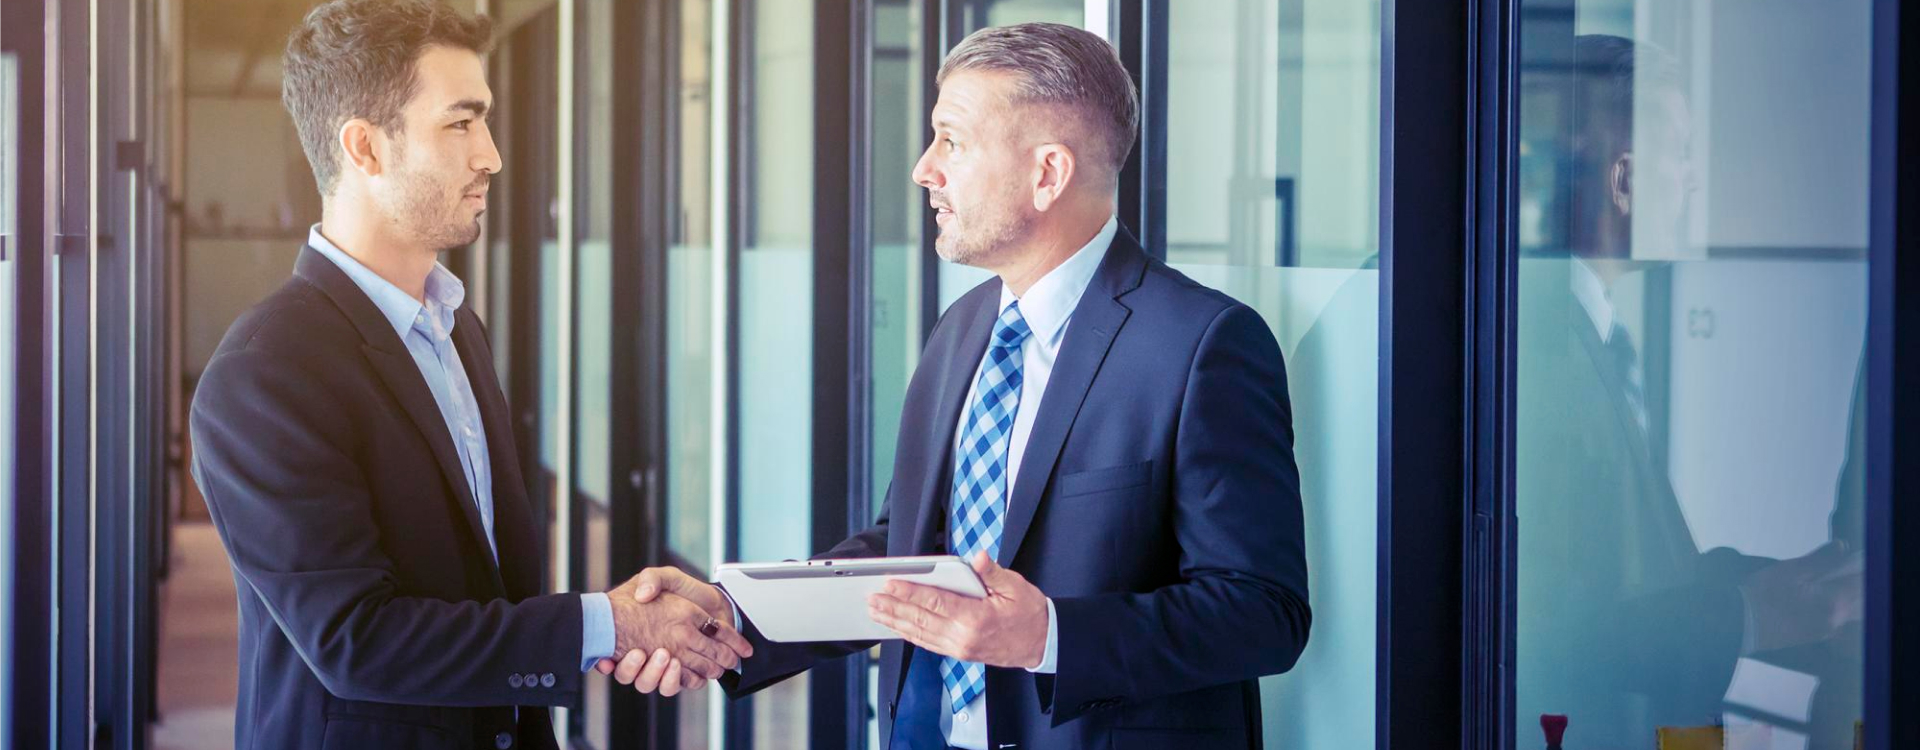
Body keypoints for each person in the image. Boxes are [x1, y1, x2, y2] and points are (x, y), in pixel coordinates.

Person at [602, 22, 1311, 750]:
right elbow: (909, 546)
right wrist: (734, 615)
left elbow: (1263, 611)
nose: (923, 169)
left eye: (952, 140)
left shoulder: (1200, 345)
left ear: (1047, 174)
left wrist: (1048, 636)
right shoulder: (963, 327)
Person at [188, 2, 749, 748]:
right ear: (365, 148)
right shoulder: (264, 373)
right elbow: (358, 640)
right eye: (459, 123)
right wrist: (603, 623)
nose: (490, 154)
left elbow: (485, 589)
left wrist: (609, 631)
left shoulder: (454, 326)